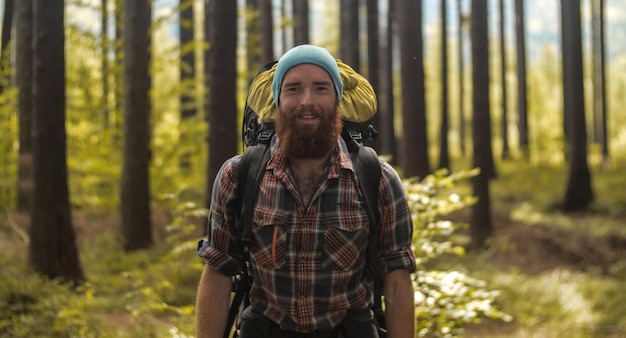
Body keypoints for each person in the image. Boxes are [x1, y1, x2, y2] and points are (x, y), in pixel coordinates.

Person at [195, 44, 416, 338]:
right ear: (277, 100)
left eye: (321, 89)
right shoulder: (238, 176)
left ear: (338, 100)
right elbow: (218, 273)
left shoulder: (378, 179)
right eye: (294, 89)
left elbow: (398, 284)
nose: (307, 101)